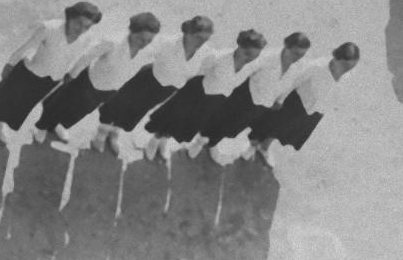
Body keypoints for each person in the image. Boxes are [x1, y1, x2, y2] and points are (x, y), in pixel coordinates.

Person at [0, 2, 103, 142]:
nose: (81, 29)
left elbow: (78, 58)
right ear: (70, 16)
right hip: (28, 73)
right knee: (6, 99)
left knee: (22, 105)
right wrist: (10, 64)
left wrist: (72, 74)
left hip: (51, 80)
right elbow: (26, 46)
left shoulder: (86, 39)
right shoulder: (49, 28)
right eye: (78, 23)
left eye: (87, 26)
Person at [33, 12, 161, 145]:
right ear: (132, 31)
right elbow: (87, 56)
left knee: (81, 111)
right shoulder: (112, 41)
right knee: (61, 104)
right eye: (140, 39)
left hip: (109, 90)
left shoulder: (149, 49)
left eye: (149, 40)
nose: (144, 44)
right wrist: (72, 74)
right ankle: (42, 126)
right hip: (87, 81)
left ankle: (60, 125)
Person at [94, 15, 215, 155]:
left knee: (136, 111)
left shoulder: (206, 53)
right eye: (198, 37)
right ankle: (102, 133)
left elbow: (202, 72)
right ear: (188, 33)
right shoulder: (167, 42)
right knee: (119, 104)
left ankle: (115, 132)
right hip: (147, 80)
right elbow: (140, 51)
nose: (201, 42)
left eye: (205, 39)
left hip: (167, 90)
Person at [143, 29, 266, 156]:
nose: (249, 59)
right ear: (240, 46)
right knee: (173, 117)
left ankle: (164, 141)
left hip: (214, 101)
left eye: (254, 56)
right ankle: (155, 139)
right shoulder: (217, 57)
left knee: (185, 124)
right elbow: (199, 73)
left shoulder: (251, 67)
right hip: (196, 93)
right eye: (247, 54)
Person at [246, 42, 360, 161]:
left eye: (350, 67)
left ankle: (264, 147)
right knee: (273, 123)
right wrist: (281, 98)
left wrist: (322, 110)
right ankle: (252, 145)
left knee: (284, 131)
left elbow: (334, 94)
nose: (346, 70)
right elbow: (295, 82)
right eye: (345, 66)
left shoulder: (345, 77)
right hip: (296, 103)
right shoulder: (318, 67)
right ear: (338, 58)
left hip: (313, 111)